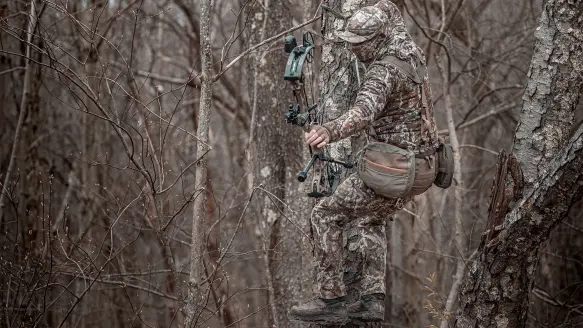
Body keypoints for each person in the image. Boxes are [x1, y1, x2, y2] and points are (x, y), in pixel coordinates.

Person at [289, 0, 440, 324]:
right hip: (424, 169)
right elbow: (390, 9)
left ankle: (330, 300)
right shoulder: (408, 49)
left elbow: (362, 112)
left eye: (361, 43)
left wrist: (327, 130)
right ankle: (372, 301)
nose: (355, 50)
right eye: (352, 43)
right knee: (370, 218)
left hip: (395, 170)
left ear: (377, 38)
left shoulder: (382, 72)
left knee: (325, 214)